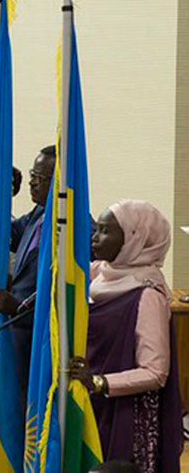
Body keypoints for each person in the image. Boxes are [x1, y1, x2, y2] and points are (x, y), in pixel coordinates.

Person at [70, 200, 182, 472]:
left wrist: (98, 382)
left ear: (135, 239)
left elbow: (156, 372)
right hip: (92, 403)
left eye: (106, 231)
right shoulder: (100, 275)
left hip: (124, 415)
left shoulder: (148, 295)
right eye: (97, 229)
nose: (95, 238)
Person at [0, 144, 54, 400]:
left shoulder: (78, 230)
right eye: (31, 176)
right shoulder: (37, 215)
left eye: (41, 179)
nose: (32, 184)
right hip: (15, 338)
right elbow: (3, 234)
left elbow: (63, 296)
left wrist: (18, 308)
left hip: (42, 346)